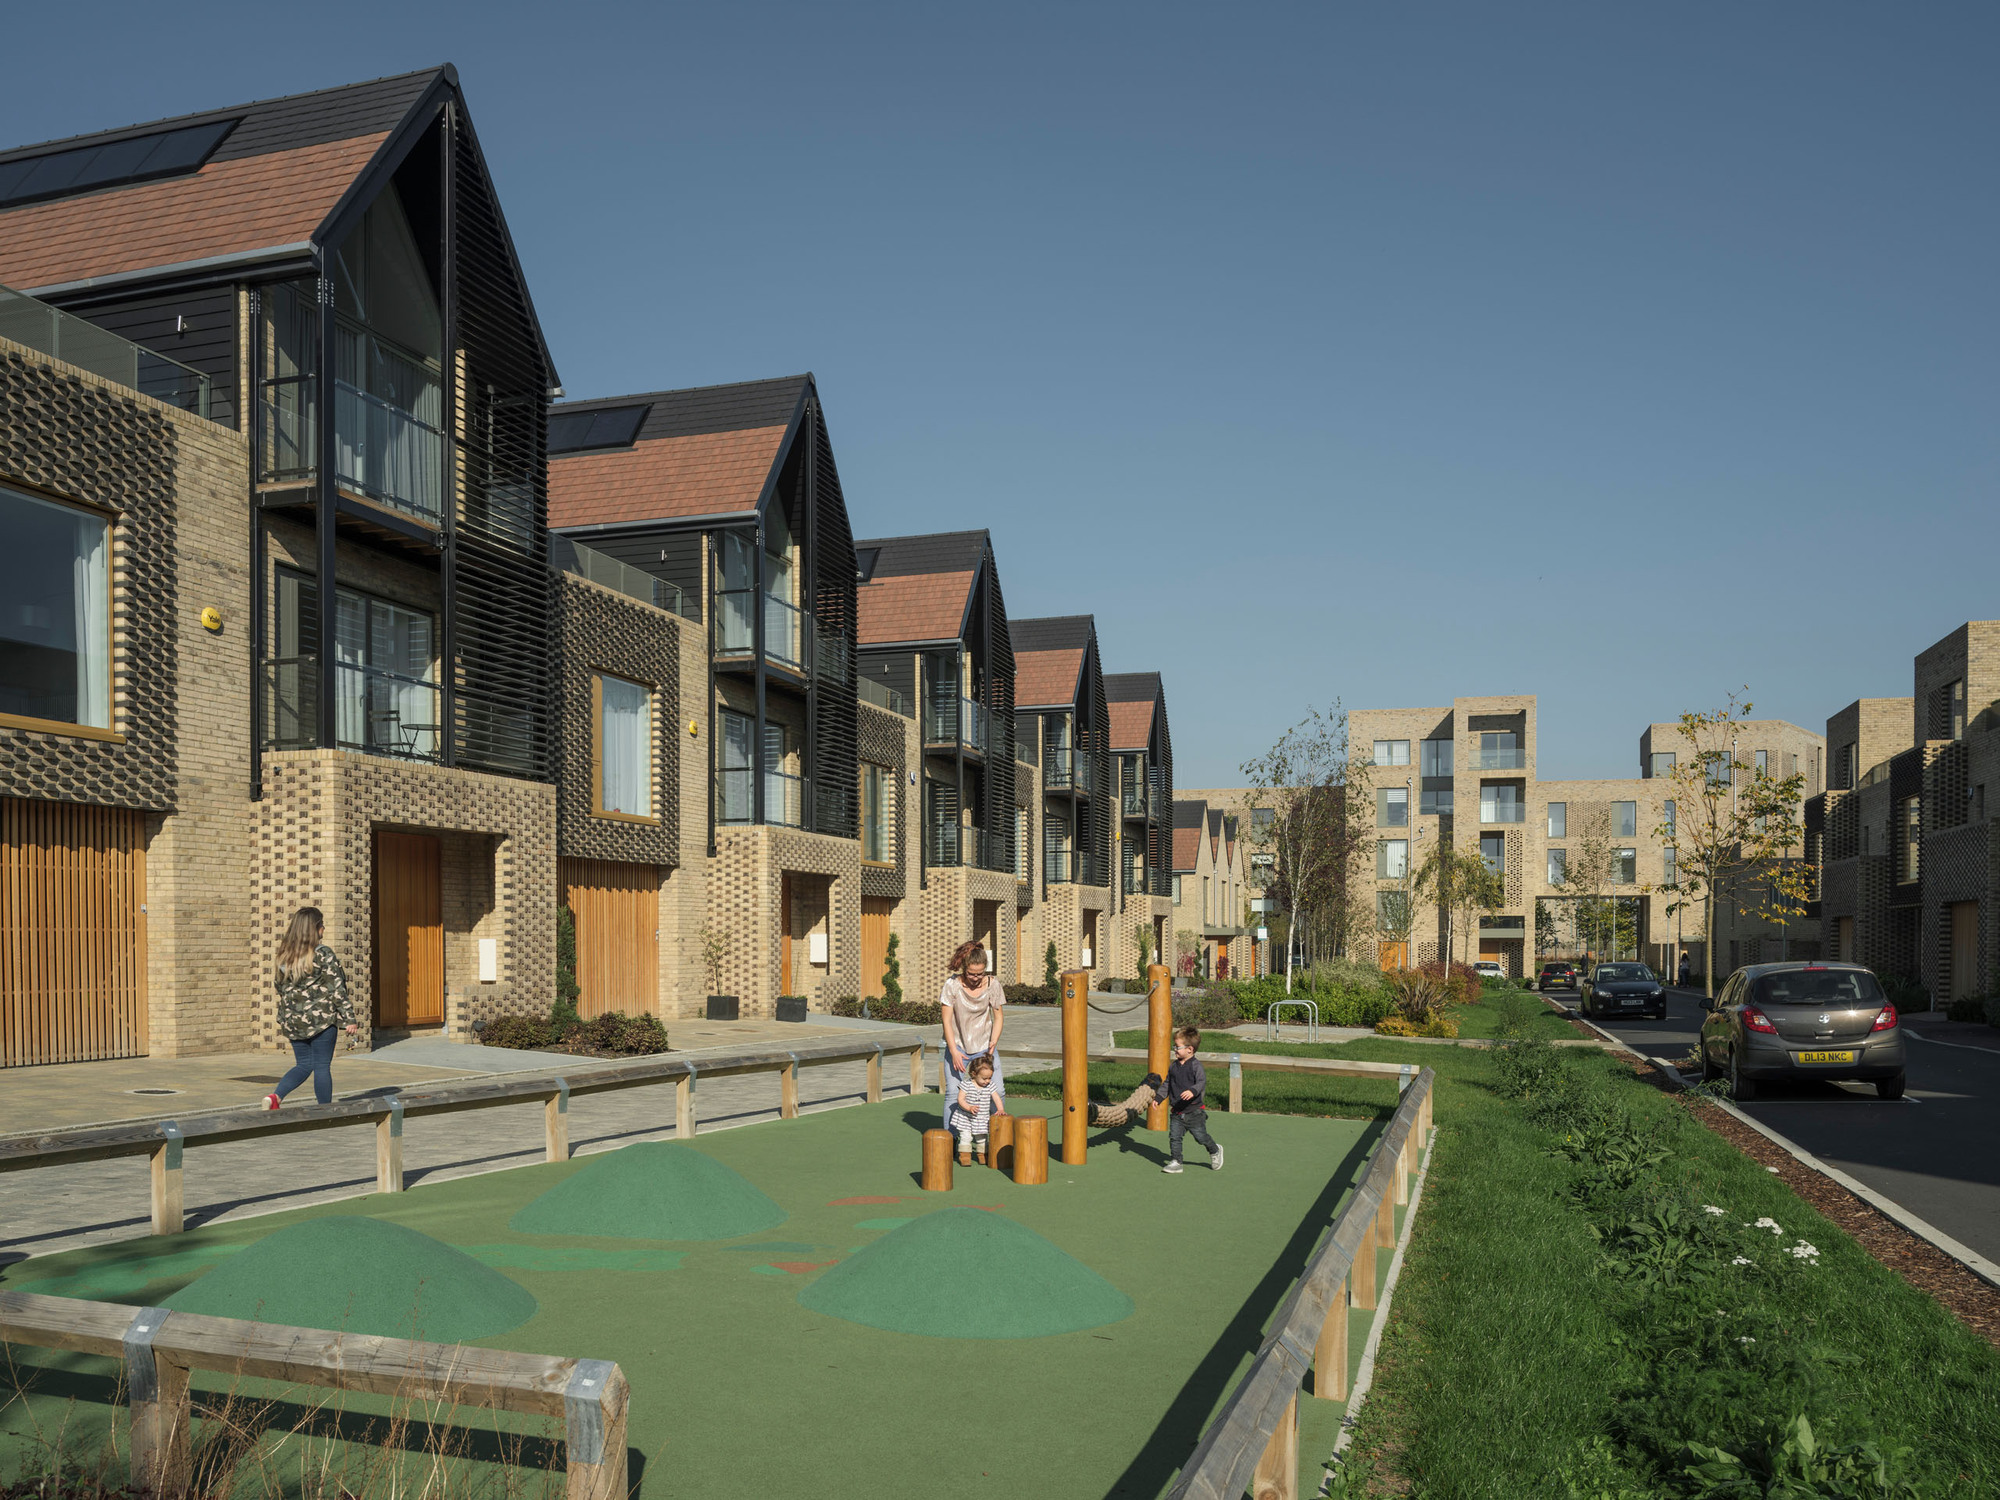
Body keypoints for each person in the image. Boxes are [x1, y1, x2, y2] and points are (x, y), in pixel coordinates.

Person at [265, 906, 357, 1109]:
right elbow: (337, 988)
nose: (324, 929)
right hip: (321, 1020)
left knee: (304, 1064)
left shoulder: (284, 955)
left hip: (292, 1020)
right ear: (315, 929)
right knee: (322, 1066)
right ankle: (324, 1111)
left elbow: (279, 987)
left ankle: (275, 1097)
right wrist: (349, 1018)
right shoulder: (323, 953)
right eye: (322, 925)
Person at [940, 940, 1006, 1131]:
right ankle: (950, 1140)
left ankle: (996, 1138)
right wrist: (953, 1051)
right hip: (958, 1045)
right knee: (953, 1093)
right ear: (963, 968)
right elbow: (946, 1021)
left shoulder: (993, 985)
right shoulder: (952, 985)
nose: (976, 978)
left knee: (998, 1090)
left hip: (985, 1045)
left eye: (980, 973)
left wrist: (994, 1041)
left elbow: (998, 1016)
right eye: (971, 973)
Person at [1161, 1025, 1223, 1174]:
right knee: (1174, 1137)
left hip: (1194, 1111)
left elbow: (1201, 1082)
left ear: (1190, 1049)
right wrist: (1159, 1097)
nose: (1174, 1049)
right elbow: (1167, 1083)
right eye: (1174, 1046)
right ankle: (1177, 1161)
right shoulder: (1173, 1066)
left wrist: (1192, 1090)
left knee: (1200, 1137)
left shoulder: (1196, 1066)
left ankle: (1215, 1150)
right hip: (1177, 1111)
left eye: (1177, 1047)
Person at [950, 1055, 1007, 1165]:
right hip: (966, 1117)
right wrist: (968, 1107)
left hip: (981, 1117)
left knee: (982, 1137)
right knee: (966, 1136)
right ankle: (965, 1156)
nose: (987, 1081)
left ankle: (982, 1155)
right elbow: (960, 1099)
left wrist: (1000, 1109)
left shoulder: (990, 1086)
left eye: (989, 1078)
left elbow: (996, 1097)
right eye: (984, 1078)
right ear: (974, 1074)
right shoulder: (966, 1085)